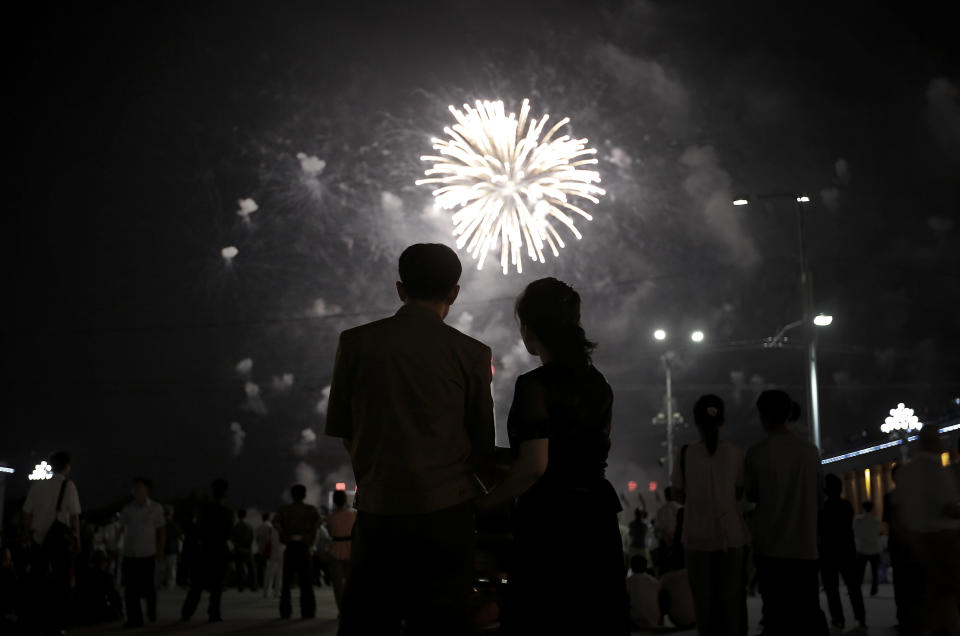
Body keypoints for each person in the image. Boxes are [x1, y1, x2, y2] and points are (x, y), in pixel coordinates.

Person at [326, 243, 496, 636]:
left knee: (369, 623)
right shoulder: (471, 353)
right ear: (454, 292)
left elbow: (344, 430)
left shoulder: (355, 343)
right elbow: (482, 445)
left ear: (400, 289)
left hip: (378, 511)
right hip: (447, 517)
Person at [478, 277, 629, 635]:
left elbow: (535, 466)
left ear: (530, 329)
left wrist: (481, 502)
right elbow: (578, 451)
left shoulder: (535, 385)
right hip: (598, 518)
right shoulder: (599, 383)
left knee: (547, 618)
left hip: (553, 524)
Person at [744, 390, 828, 636]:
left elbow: (752, 496)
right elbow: (818, 497)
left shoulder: (756, 453)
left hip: (770, 548)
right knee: (807, 614)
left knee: (776, 616)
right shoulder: (810, 452)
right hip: (805, 548)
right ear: (789, 414)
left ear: (762, 416)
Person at [670, 394, 749, 636]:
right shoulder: (735, 453)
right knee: (731, 607)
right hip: (731, 539)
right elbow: (738, 492)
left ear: (696, 422)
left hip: (696, 539)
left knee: (704, 610)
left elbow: (678, 496)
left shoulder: (685, 454)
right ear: (722, 421)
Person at [890, 426, 960, 634]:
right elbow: (948, 509)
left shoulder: (905, 471)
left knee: (928, 604)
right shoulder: (939, 471)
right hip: (944, 545)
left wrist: (911, 541)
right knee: (945, 600)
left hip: (915, 545)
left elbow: (896, 513)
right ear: (933, 442)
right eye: (940, 439)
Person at [22, 451, 81, 635]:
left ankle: (37, 620)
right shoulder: (68, 486)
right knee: (61, 583)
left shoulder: (37, 486)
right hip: (59, 542)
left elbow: (26, 513)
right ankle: (58, 623)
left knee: (40, 582)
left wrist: (29, 533)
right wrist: (77, 540)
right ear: (67, 467)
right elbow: (74, 516)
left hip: (39, 540)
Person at [181, 478, 233, 623]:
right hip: (220, 551)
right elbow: (228, 534)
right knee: (217, 587)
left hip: (204, 550)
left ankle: (187, 612)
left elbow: (198, 530)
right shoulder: (228, 512)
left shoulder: (204, 510)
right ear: (225, 494)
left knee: (196, 586)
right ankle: (214, 613)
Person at [818, 473, 865, 631]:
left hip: (828, 553)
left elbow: (820, 531)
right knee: (853, 588)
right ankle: (860, 618)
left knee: (832, 589)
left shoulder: (822, 509)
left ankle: (838, 619)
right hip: (846, 550)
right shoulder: (847, 505)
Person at [118, 477, 165, 627]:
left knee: (149, 588)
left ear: (147, 491)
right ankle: (134, 619)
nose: (137, 492)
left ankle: (151, 612)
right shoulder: (127, 509)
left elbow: (161, 530)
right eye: (135, 489)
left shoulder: (156, 508)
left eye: (140, 489)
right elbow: (120, 529)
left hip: (148, 555)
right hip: (130, 555)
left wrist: (160, 550)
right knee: (130, 590)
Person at [274, 484, 320, 619]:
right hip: (304, 547)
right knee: (306, 582)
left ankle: (285, 611)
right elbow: (318, 524)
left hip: (290, 547)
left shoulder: (284, 510)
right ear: (304, 495)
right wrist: (309, 535)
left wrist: (284, 533)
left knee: (286, 582)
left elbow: (275, 523)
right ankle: (308, 611)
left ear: (292, 495)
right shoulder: (310, 510)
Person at [326, 489, 356, 614]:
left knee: (338, 585)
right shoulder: (354, 514)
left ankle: (342, 610)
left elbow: (329, 532)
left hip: (335, 549)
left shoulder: (331, 517)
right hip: (351, 548)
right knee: (353, 583)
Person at [853, 500, 882, 597]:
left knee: (859, 572)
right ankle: (874, 590)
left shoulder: (858, 520)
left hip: (862, 548)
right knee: (874, 572)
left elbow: (856, 533)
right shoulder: (876, 521)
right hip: (874, 548)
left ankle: (857, 589)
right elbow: (877, 534)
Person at [627, 554, 661, 628]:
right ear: (646, 566)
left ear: (632, 567)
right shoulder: (654, 581)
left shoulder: (629, 581)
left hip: (637, 620)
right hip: (655, 618)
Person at [230, 508, 255, 591]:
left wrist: (239, 547)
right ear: (245, 515)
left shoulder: (235, 527)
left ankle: (240, 586)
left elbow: (232, 539)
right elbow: (251, 538)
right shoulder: (249, 526)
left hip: (238, 550)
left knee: (239, 569)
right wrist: (247, 548)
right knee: (251, 569)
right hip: (247, 550)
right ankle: (253, 586)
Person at [261, 514, 283, 599]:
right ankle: (277, 592)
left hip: (273, 552)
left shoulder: (272, 528)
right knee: (279, 573)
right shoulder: (282, 529)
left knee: (269, 572)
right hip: (281, 551)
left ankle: (266, 592)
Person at [254, 512, 272, 590]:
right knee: (268, 568)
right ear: (268, 518)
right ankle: (267, 583)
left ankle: (260, 583)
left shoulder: (258, 527)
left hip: (260, 549)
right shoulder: (270, 526)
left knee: (260, 568)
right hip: (268, 550)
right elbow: (270, 539)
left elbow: (257, 539)